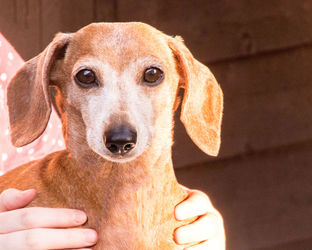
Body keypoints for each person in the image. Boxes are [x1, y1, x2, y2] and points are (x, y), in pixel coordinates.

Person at [0, 33, 225, 249]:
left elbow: (36, 151)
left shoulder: (185, 222)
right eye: (87, 77)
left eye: (151, 75)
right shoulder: (31, 194)